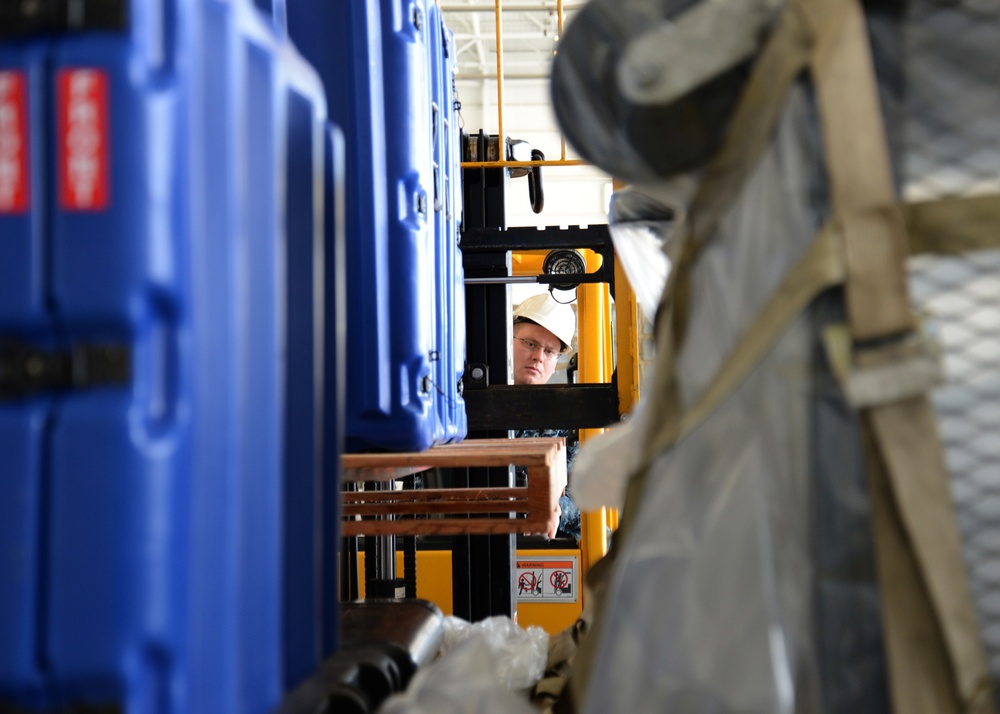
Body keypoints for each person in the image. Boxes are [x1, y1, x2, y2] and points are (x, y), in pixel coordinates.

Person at [511, 292, 582, 541]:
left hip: (546, 547)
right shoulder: (465, 409)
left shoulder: (568, 422)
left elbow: (586, 500)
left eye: (550, 351)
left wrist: (555, 508)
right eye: (530, 344)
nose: (539, 357)